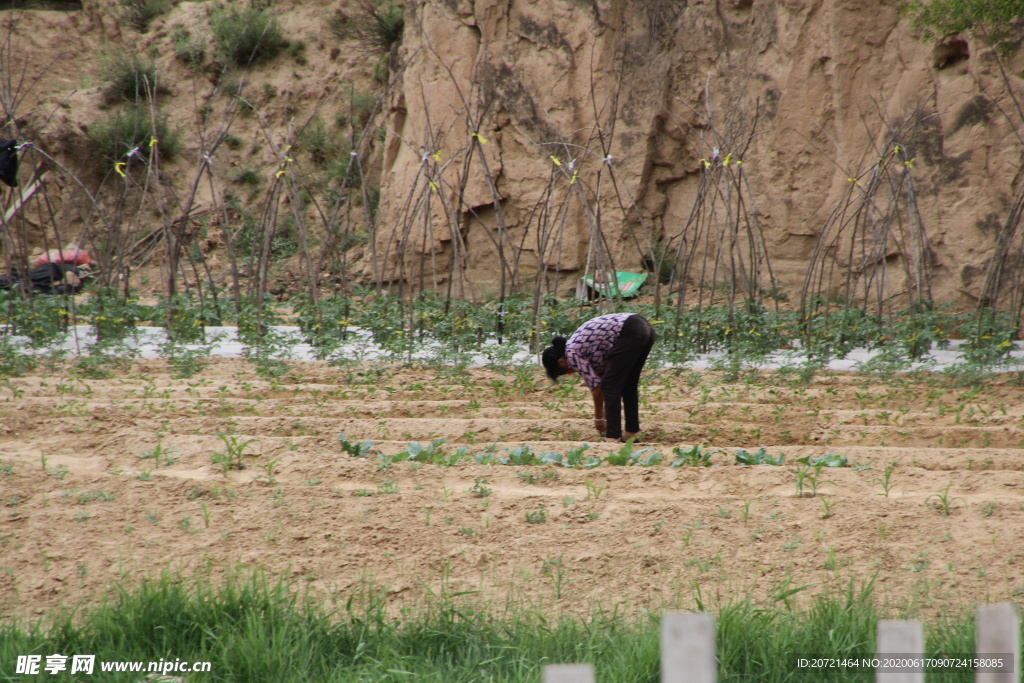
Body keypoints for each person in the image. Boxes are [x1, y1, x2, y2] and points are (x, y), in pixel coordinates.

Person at [542, 313, 656, 443]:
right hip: (644, 327)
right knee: (628, 383)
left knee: (610, 384)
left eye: (565, 372)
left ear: (561, 362)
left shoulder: (571, 353)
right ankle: (631, 433)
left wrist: (599, 419)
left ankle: (612, 437)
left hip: (630, 330)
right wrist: (607, 417)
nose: (571, 372)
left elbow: (598, 387)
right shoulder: (583, 349)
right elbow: (606, 385)